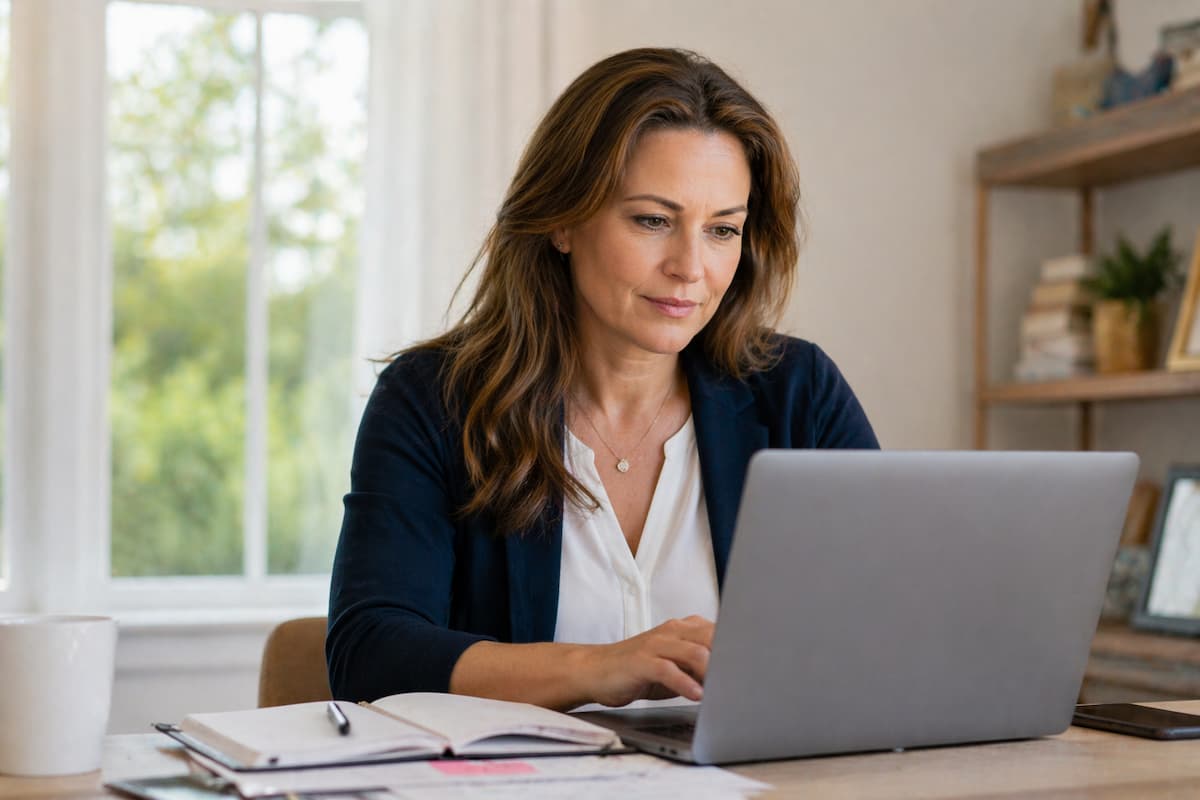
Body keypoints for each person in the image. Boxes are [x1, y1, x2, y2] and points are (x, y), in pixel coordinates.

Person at [326, 47, 878, 710]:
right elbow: (371, 652)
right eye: (653, 220)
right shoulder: (431, 400)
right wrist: (598, 668)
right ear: (563, 218)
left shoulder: (798, 392)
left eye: (723, 229)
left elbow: (890, 624)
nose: (690, 267)